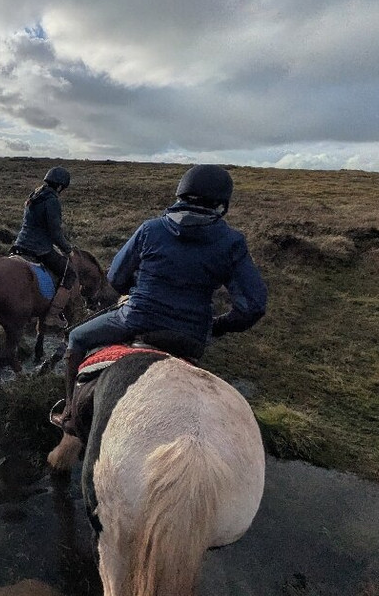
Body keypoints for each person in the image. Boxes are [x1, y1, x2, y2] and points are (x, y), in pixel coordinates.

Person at [54, 163, 267, 436]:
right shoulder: (232, 242)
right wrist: (218, 325)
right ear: (221, 203)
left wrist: (138, 289)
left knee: (77, 338)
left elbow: (117, 278)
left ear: (181, 194)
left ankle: (70, 415)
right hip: (191, 336)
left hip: (136, 319)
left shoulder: (150, 229)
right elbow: (253, 306)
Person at [9, 166, 76, 329]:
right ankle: (52, 315)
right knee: (69, 274)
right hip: (38, 249)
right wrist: (68, 249)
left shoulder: (35, 195)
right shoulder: (52, 200)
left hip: (19, 244)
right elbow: (55, 232)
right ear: (60, 186)